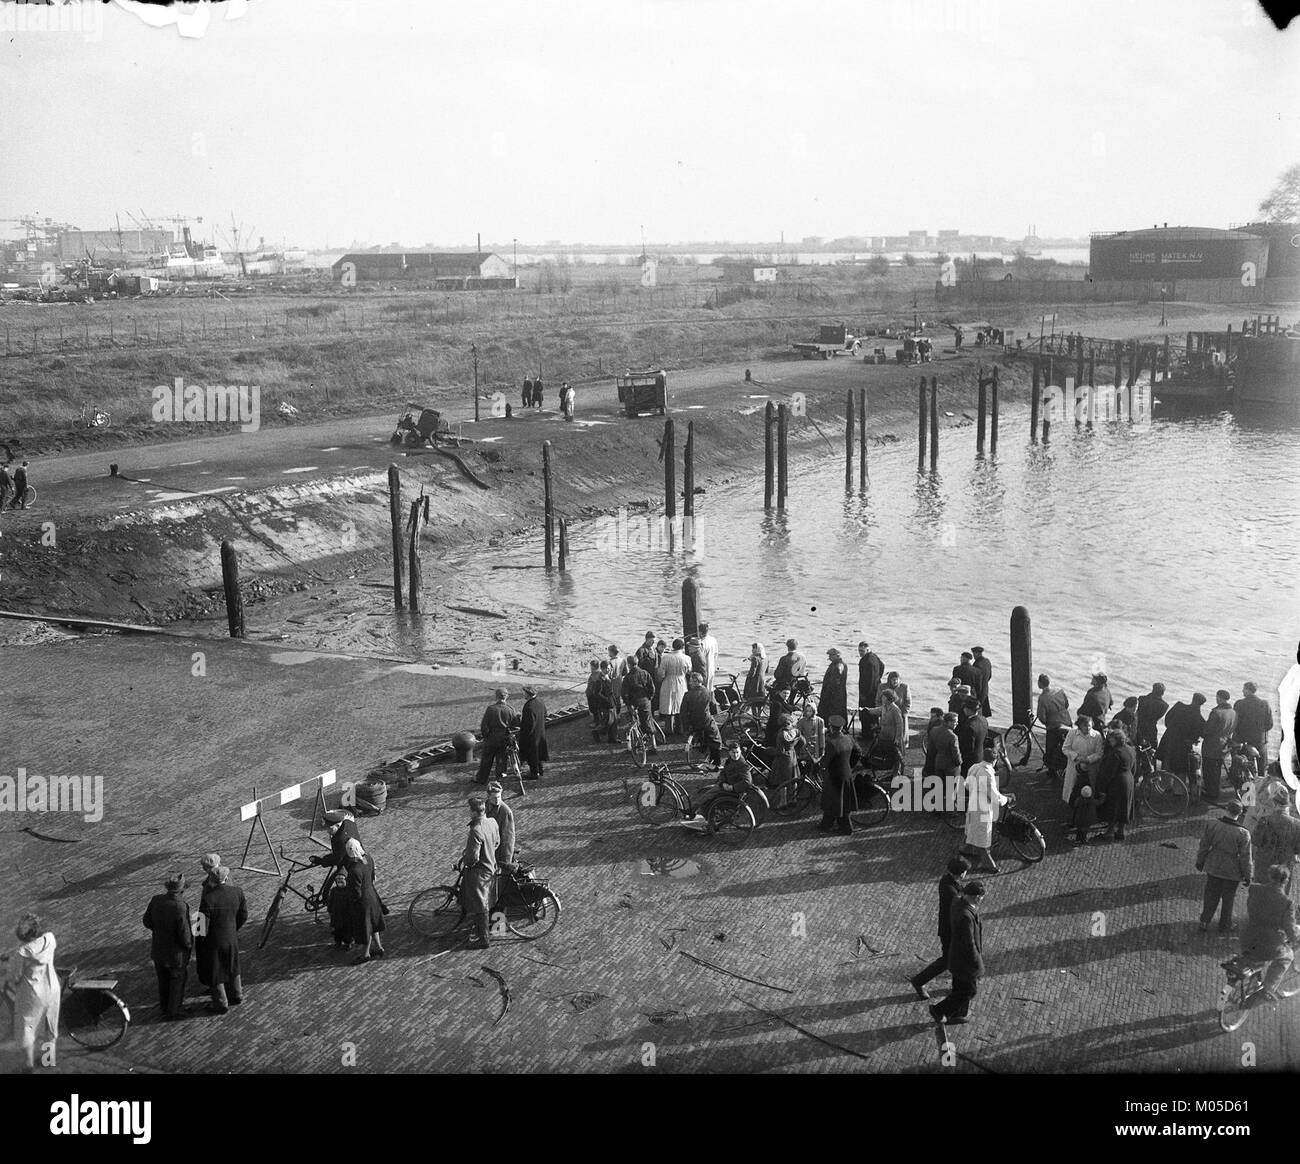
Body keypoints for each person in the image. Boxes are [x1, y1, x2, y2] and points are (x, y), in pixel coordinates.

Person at [3, 913, 60, 1070]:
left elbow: (14, 977)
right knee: (50, 1024)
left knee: (26, 1027)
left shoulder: (21, 952)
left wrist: (10, 967)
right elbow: (36, 953)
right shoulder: (50, 938)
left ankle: (28, 1066)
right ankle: (48, 1060)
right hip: (52, 988)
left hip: (32, 994)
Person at [910, 856, 970, 999]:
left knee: (955, 959)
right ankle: (919, 981)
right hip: (950, 930)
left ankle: (956, 986)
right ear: (961, 873)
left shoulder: (948, 880)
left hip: (949, 927)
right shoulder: (951, 891)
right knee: (948, 960)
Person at [929, 881, 986, 1025]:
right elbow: (969, 943)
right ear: (977, 897)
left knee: (960, 987)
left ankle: (958, 1013)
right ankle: (939, 1010)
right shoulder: (967, 915)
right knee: (969, 991)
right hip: (965, 961)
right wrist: (976, 962)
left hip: (957, 957)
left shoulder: (957, 902)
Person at [1240, 865, 1299, 998]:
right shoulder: (1287, 902)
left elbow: (1251, 909)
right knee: (1287, 956)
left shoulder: (1254, 889)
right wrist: (1295, 938)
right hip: (1267, 944)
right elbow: (1289, 928)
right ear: (1286, 881)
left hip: (1247, 937)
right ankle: (1267, 990)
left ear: (1270, 876)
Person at [1196, 800, 1254, 935]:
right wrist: (1247, 875)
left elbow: (1204, 846)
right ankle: (1225, 924)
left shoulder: (1213, 824)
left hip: (1214, 864)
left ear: (1226, 809)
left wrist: (1200, 861)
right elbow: (1246, 857)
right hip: (1232, 869)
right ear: (1240, 813)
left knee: (1210, 894)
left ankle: (1204, 921)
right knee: (1228, 898)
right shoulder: (1243, 833)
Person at [196, 864, 247, 1014]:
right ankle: (237, 994)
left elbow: (201, 924)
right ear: (225, 878)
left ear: (212, 879)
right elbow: (243, 915)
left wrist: (199, 941)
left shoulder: (208, 898)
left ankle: (220, 1003)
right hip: (231, 937)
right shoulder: (237, 892)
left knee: (216, 970)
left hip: (214, 940)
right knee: (233, 964)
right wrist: (233, 928)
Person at [143, 871, 193, 1021]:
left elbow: (147, 921)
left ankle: (164, 1006)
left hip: (159, 950)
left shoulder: (156, 900)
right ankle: (174, 1010)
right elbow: (184, 934)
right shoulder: (180, 907)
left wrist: (159, 931)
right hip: (176, 954)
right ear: (182, 890)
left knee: (163, 980)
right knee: (177, 981)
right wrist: (188, 945)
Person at [684, 739, 756, 827]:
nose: (736, 755)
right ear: (729, 752)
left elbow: (747, 782)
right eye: (733, 752)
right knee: (707, 792)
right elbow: (723, 773)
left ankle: (706, 820)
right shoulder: (730, 761)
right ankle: (693, 810)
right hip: (726, 785)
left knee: (709, 797)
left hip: (734, 792)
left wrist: (732, 787)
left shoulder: (742, 765)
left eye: (737, 752)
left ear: (740, 751)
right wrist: (723, 783)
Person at [460, 797, 501, 949]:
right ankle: (496, 928)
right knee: (492, 900)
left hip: (480, 873)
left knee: (480, 906)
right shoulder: (492, 822)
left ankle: (484, 939)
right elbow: (497, 842)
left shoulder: (475, 831)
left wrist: (465, 859)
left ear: (472, 812)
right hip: (492, 866)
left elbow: (472, 858)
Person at [963, 746, 1007, 874]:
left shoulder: (974, 767)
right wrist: (1005, 799)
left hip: (973, 803)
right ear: (995, 761)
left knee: (972, 828)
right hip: (983, 809)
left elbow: (966, 785)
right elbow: (994, 796)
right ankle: (989, 864)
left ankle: (966, 849)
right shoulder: (988, 773)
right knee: (983, 836)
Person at [1251, 786, 1300, 898]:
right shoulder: (1297, 824)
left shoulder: (1264, 820)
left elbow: (1255, 841)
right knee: (1281, 896)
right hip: (1285, 865)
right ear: (1288, 806)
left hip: (1264, 864)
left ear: (1274, 804)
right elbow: (1298, 849)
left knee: (1262, 895)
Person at [343, 838, 386, 964]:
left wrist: (352, 903)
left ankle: (365, 954)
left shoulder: (354, 870)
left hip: (363, 902)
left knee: (366, 927)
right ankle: (379, 947)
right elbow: (372, 874)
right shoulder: (367, 858)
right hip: (372, 895)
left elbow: (356, 891)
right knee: (373, 923)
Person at [819, 715, 861, 835]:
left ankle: (846, 828)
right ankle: (825, 824)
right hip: (846, 774)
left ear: (831, 728)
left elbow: (825, 761)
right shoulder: (849, 738)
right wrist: (849, 765)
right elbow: (858, 752)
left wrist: (820, 766)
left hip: (833, 777)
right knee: (837, 802)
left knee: (836, 803)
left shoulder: (831, 743)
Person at [1097, 727, 1136, 841]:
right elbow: (1134, 768)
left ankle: (1109, 833)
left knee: (1113, 807)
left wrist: (1103, 788)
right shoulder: (1131, 749)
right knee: (1125, 806)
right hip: (1129, 779)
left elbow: (1109, 772)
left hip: (1117, 782)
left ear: (1116, 740)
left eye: (1111, 740)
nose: (1110, 742)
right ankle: (1121, 832)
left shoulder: (1115, 753)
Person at [1157, 692, 1207, 779]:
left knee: (1166, 763)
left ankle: (1165, 787)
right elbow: (1201, 735)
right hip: (1183, 746)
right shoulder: (1200, 719)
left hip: (1169, 739)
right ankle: (1179, 791)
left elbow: (1167, 720)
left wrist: (1172, 730)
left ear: (1193, 699)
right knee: (1180, 769)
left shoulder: (1178, 706)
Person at [476, 688, 519, 785]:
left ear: (496, 697)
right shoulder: (510, 709)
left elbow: (484, 726)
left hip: (491, 738)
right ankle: (500, 779)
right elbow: (515, 724)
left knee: (486, 759)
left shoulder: (491, 709)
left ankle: (482, 779)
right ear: (507, 696)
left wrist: (486, 736)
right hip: (504, 738)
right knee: (501, 759)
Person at [1202, 690, 1238, 804]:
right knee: (1216, 769)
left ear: (1220, 698)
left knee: (1208, 769)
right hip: (1224, 744)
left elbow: (1207, 730)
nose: (1216, 698)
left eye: (1217, 697)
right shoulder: (1233, 712)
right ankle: (1215, 792)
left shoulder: (1216, 712)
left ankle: (1210, 793)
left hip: (1212, 744)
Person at [1062, 714, 1103, 807]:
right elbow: (1065, 749)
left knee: (1089, 786)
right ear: (1079, 725)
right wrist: (1076, 757)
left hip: (1091, 766)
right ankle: (1071, 804)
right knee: (1073, 785)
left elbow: (1099, 753)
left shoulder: (1097, 735)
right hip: (1074, 765)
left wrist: (1088, 759)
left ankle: (1089, 807)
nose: (1088, 728)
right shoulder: (1072, 733)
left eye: (1089, 725)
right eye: (1085, 726)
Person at [861, 688, 906, 773]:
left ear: (889, 698)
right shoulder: (884, 707)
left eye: (884, 697)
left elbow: (900, 725)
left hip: (892, 737)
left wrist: (897, 738)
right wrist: (867, 710)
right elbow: (876, 710)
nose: (882, 698)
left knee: (897, 755)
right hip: (884, 734)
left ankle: (897, 772)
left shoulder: (895, 709)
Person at [622, 655, 659, 755]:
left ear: (629, 665)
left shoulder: (627, 678)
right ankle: (653, 745)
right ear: (637, 662)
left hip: (634, 703)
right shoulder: (645, 673)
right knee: (648, 721)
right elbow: (652, 688)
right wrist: (649, 698)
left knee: (634, 723)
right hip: (645, 701)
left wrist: (628, 704)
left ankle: (636, 744)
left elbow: (624, 694)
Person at [1036, 673, 1071, 775]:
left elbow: (1041, 716)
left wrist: (1047, 723)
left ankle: (1051, 770)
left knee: (1050, 747)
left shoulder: (1042, 698)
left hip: (1054, 725)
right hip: (1067, 721)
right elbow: (1067, 704)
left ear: (1040, 684)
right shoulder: (1059, 690)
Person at [1234, 682, 1274, 769]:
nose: (1242, 691)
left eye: (1244, 689)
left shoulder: (1239, 704)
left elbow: (1235, 724)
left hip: (1244, 740)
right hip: (1260, 740)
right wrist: (1260, 731)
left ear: (1248, 690)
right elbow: (1270, 725)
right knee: (1261, 768)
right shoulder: (1264, 704)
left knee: (1241, 765)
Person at [657, 638, 692, 736]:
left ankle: (669, 729)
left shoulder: (666, 658)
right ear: (682, 647)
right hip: (681, 681)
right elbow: (689, 671)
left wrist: (660, 680)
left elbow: (661, 673)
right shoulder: (687, 658)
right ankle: (680, 728)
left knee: (669, 705)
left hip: (668, 681)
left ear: (673, 646)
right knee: (680, 704)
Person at [519, 686, 549, 780]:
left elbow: (528, 724)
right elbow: (545, 715)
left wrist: (524, 736)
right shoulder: (540, 702)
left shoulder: (528, 706)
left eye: (524, 693)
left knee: (531, 754)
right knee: (539, 752)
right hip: (540, 732)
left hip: (531, 735)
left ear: (528, 694)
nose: (523, 694)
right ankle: (540, 769)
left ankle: (534, 773)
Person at [485, 780, 517, 868]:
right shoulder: (485, 806)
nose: (497, 800)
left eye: (499, 797)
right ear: (488, 796)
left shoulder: (506, 812)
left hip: (498, 853)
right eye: (494, 798)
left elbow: (508, 838)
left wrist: (505, 862)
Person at [857, 642, 884, 736]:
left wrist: (864, 694)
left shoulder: (866, 661)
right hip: (875, 689)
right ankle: (873, 731)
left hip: (867, 691)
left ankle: (866, 734)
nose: (860, 653)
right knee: (873, 712)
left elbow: (869, 680)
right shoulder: (875, 657)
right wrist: (878, 678)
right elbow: (882, 666)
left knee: (865, 712)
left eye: (862, 651)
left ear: (867, 650)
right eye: (859, 650)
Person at [957, 696, 988, 777]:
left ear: (968, 709)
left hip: (969, 761)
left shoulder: (969, 726)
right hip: (979, 756)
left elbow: (968, 748)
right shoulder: (984, 720)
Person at [586, 659, 615, 743]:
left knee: (613, 722)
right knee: (608, 722)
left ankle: (612, 739)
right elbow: (597, 693)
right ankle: (596, 732)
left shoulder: (607, 676)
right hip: (605, 704)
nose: (609, 670)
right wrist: (606, 700)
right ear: (602, 669)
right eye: (607, 669)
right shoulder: (599, 679)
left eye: (610, 669)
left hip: (611, 702)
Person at [1135, 682, 1169, 750]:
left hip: (1138, 725)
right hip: (1151, 729)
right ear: (1162, 693)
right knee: (1152, 749)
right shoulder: (1164, 705)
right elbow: (1157, 717)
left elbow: (1137, 712)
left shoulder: (1141, 699)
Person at [821, 647, 849, 726]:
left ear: (836, 655)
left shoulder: (838, 666)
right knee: (838, 712)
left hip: (834, 696)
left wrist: (827, 694)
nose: (829, 658)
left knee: (832, 712)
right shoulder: (840, 664)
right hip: (839, 694)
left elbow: (835, 683)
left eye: (830, 655)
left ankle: (833, 728)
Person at [970, 646, 993, 717]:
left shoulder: (976, 664)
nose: (973, 656)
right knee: (983, 708)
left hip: (979, 689)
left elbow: (976, 679)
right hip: (985, 688)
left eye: (974, 654)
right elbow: (989, 676)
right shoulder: (987, 661)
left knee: (977, 708)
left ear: (977, 653)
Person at [698, 623, 719, 691]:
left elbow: (701, 658)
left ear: (700, 632)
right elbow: (716, 653)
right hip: (712, 666)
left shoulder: (702, 643)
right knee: (710, 687)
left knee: (704, 688)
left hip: (705, 668)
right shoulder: (713, 640)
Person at [607, 644, 627, 713]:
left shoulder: (609, 662)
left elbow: (608, 675)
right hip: (620, 681)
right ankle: (618, 713)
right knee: (618, 698)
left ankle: (614, 714)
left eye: (609, 652)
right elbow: (625, 672)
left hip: (612, 683)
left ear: (612, 652)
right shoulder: (623, 660)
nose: (608, 653)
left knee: (612, 698)